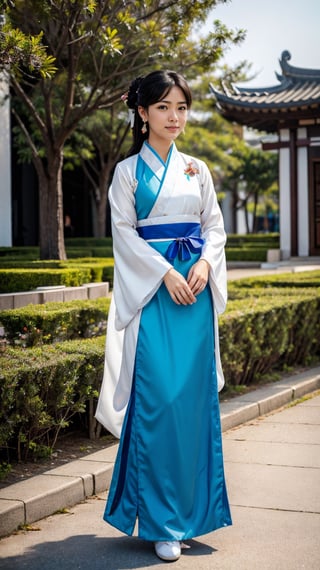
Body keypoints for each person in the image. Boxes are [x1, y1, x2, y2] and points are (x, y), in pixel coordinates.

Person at [95, 70, 232, 562]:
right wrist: (164, 274)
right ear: (142, 112)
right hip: (155, 294)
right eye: (164, 108)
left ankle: (192, 515)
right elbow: (125, 235)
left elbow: (213, 226)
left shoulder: (198, 169)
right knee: (159, 402)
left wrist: (200, 263)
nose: (175, 117)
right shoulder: (128, 173)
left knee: (192, 405)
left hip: (194, 295)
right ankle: (160, 521)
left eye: (181, 107)